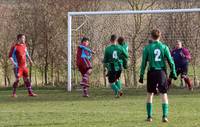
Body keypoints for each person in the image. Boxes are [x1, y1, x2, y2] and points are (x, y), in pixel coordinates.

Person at [139, 29, 177, 122]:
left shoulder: (147, 48)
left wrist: (141, 75)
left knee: (150, 94)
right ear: (160, 36)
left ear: (151, 36)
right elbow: (171, 61)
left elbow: (143, 63)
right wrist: (174, 72)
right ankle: (164, 116)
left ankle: (149, 117)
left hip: (151, 72)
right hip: (161, 73)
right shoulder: (164, 47)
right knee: (164, 93)